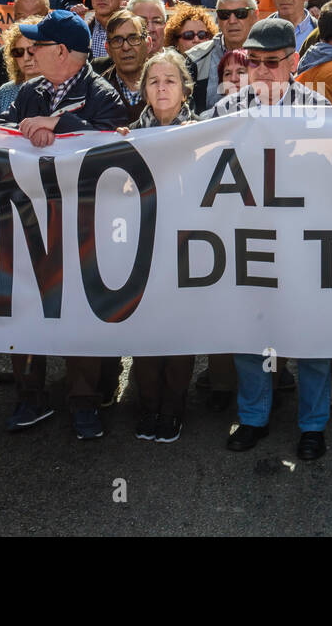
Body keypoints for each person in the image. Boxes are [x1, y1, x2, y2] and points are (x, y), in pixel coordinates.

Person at [0, 10, 127, 438]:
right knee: (27, 306)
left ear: (63, 52)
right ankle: (29, 395)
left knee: (80, 311)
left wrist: (63, 126)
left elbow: (113, 146)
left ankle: (84, 401)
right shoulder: (28, 91)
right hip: (31, 219)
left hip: (84, 223)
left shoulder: (103, 92)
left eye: (38, 45)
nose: (29, 51)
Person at [211, 18, 332, 460]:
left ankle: (313, 425)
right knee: (252, 332)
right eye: (254, 61)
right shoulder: (227, 109)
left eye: (272, 62)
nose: (261, 69)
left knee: (312, 338)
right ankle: (254, 417)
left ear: (294, 61)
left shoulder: (320, 110)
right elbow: (189, 150)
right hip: (249, 238)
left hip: (305, 240)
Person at [124, 49, 198, 443]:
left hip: (188, 250)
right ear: (144, 91)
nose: (162, 87)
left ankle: (174, 407)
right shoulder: (128, 136)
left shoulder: (206, 133)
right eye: (154, 81)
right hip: (144, 250)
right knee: (147, 331)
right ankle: (147, 403)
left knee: (179, 331)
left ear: (185, 90)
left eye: (170, 80)